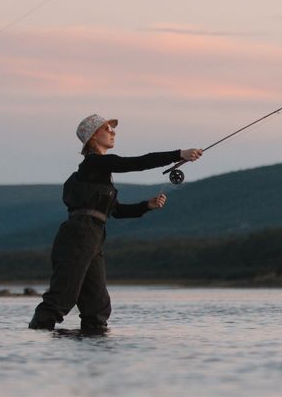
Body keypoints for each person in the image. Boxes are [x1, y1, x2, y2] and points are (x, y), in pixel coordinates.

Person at [28, 115, 203, 334]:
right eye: (108, 128)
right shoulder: (94, 162)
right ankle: (34, 344)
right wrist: (179, 154)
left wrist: (146, 206)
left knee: (97, 305)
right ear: (93, 137)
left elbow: (116, 211)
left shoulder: (101, 172)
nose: (113, 132)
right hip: (79, 234)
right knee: (61, 297)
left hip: (92, 236)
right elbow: (136, 163)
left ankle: (93, 346)